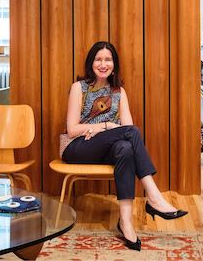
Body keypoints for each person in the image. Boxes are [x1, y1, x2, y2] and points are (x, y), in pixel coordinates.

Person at [62, 41, 187, 251]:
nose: (103, 64)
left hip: (105, 149)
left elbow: (128, 131)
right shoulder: (79, 87)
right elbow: (72, 129)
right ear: (91, 63)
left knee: (126, 149)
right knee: (130, 133)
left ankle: (125, 223)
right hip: (77, 147)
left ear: (114, 64)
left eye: (108, 60)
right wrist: (106, 125)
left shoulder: (119, 91)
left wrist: (104, 130)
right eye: (98, 59)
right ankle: (154, 197)